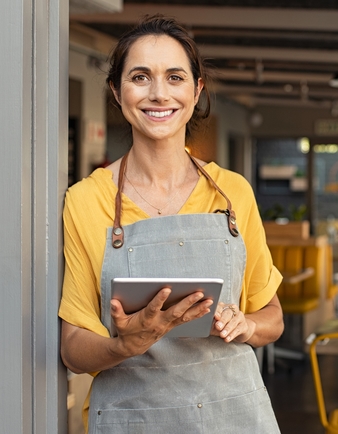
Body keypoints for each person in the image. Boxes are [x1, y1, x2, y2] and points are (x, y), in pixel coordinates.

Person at [58, 15, 283, 433]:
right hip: (133, 419)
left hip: (233, 416)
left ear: (196, 91)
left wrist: (248, 324)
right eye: (140, 77)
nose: (159, 94)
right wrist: (125, 343)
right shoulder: (86, 201)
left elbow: (271, 314)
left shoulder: (233, 193)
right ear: (116, 90)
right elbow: (73, 349)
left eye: (175, 77)